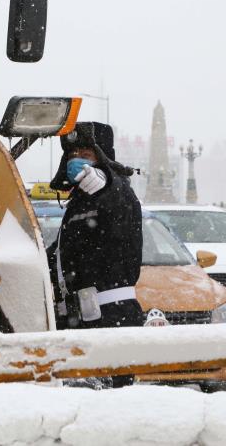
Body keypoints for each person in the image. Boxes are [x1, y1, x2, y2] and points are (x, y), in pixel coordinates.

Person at [47, 122, 144, 333]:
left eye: (85, 153)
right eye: (72, 153)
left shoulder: (117, 192)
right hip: (78, 320)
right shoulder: (77, 204)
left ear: (101, 157)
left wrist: (107, 179)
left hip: (114, 317)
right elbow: (61, 255)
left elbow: (116, 194)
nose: (76, 159)